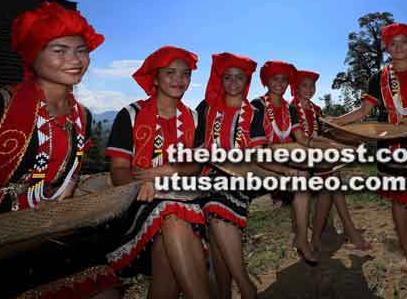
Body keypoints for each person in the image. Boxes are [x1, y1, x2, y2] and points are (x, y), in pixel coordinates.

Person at [0, 1, 119, 298]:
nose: (75, 59)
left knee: (105, 290)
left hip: (50, 229)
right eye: (59, 50)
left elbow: (67, 182)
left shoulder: (83, 117)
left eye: (81, 50)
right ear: (33, 55)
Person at [331, 23, 407, 275]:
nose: (399, 47)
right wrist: (335, 122)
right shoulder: (377, 78)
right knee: (400, 203)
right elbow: (363, 111)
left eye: (404, 42)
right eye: (393, 43)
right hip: (390, 148)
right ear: (387, 48)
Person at [105, 46, 209, 299]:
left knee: (167, 253)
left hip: (185, 197)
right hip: (139, 200)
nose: (178, 80)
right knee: (172, 216)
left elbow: (196, 164)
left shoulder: (194, 118)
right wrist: (139, 186)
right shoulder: (130, 115)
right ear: (155, 77)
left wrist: (170, 169)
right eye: (170, 73)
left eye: (185, 74)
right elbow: (119, 169)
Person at [194, 52, 267, 299]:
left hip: (242, 176)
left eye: (239, 78)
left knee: (216, 206)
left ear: (247, 82)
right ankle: (225, 292)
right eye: (228, 77)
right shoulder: (205, 108)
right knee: (215, 235)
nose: (234, 83)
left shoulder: (254, 112)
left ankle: (244, 285)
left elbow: (258, 155)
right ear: (221, 80)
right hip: (206, 174)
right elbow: (194, 146)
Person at [289, 69, 371, 252]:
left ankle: (321, 236)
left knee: (331, 181)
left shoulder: (315, 109)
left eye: (312, 85)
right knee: (332, 178)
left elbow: (324, 132)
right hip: (297, 158)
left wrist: (345, 135)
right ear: (296, 87)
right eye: (304, 85)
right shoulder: (292, 108)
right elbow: (300, 139)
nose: (309, 89)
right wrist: (333, 146)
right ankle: (347, 230)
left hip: (316, 157)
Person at [250, 61, 317, 265]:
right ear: (266, 81)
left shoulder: (291, 109)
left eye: (284, 79)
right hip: (258, 163)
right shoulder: (257, 106)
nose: (279, 83)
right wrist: (285, 168)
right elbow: (258, 152)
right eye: (274, 78)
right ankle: (301, 237)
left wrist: (329, 145)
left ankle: (302, 237)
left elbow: (302, 140)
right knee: (302, 177)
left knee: (306, 175)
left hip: (284, 161)